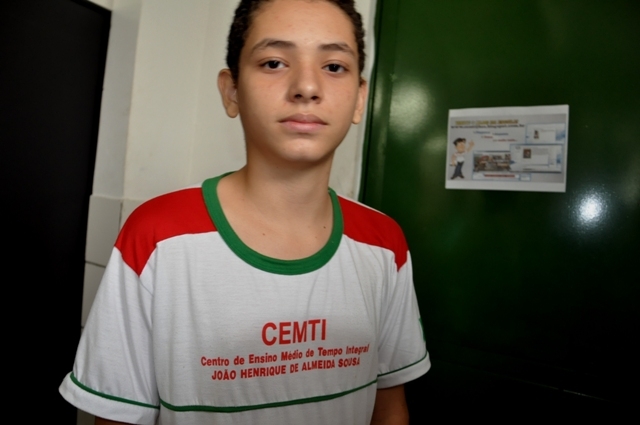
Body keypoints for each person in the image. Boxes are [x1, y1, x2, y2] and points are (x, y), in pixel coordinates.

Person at [59, 1, 429, 423]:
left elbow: (389, 406)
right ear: (231, 90)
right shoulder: (157, 237)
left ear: (360, 99)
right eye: (274, 63)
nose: (307, 86)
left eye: (333, 66)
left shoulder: (384, 242)